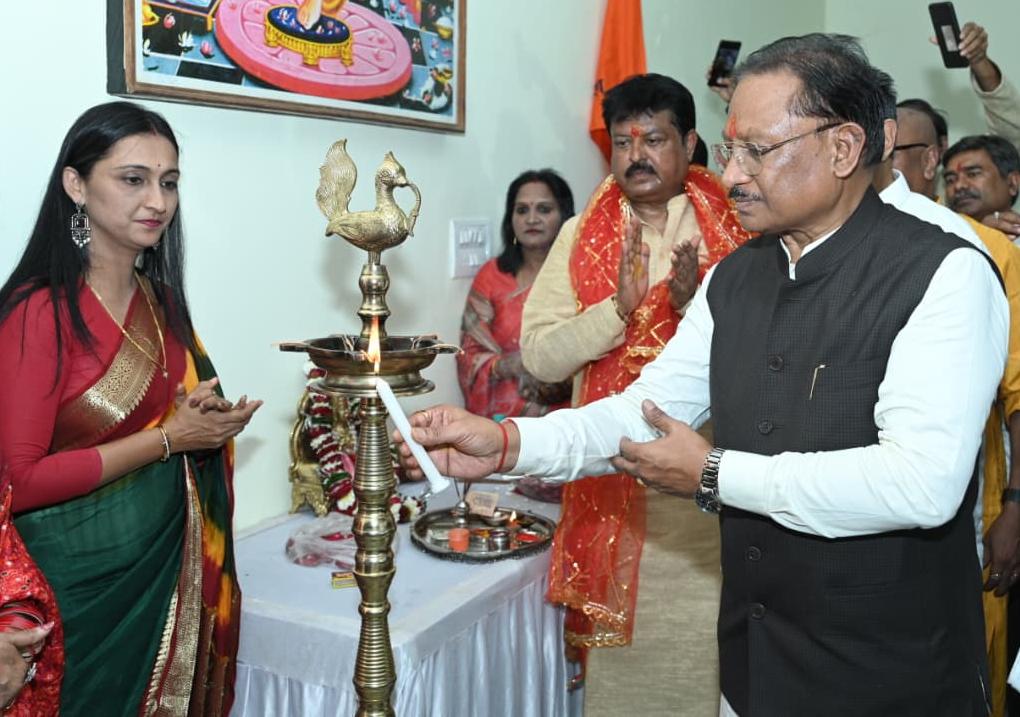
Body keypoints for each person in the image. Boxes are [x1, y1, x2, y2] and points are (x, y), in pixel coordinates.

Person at [396, 34, 1008, 716]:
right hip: (753, 669)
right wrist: (507, 442)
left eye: (757, 151)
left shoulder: (944, 273)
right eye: (729, 149)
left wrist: (714, 473)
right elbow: (641, 412)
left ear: (843, 149)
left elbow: (921, 484)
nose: (732, 174)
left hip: (891, 678)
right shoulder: (735, 278)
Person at [0, 101, 262, 716]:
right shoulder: (40, 312)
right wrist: (170, 438)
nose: (157, 201)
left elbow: (162, 421)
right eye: (133, 179)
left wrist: (204, 422)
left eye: (169, 182)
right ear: (76, 185)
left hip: (163, 583)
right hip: (73, 601)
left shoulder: (162, 303)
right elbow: (19, 481)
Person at [518, 72, 750, 712]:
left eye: (653, 139)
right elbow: (538, 354)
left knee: (710, 657)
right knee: (626, 676)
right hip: (611, 480)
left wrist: (694, 305)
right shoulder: (581, 233)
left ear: (690, 144)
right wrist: (616, 311)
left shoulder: (738, 226)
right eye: (623, 142)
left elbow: (771, 349)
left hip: (708, 488)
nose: (636, 155)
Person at [885, 95, 1020, 717]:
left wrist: (1015, 507)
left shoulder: (988, 249)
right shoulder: (836, 248)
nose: (881, 162)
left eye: (898, 150)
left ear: (929, 158)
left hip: (962, 506)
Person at [456, 169, 574, 420]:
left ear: (564, 217)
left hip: (570, 417)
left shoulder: (581, 275)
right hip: (502, 421)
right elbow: (469, 357)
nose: (531, 219)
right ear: (511, 220)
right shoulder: (492, 276)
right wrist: (510, 365)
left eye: (544, 209)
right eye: (521, 210)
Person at [944, 134, 1020, 240]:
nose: (959, 185)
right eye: (950, 180)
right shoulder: (939, 238)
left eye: (973, 174)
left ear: (1012, 183)